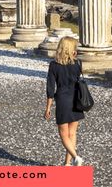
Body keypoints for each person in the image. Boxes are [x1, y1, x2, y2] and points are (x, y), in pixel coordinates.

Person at [44, 36, 85, 166]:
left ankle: (75, 157)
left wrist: (48, 107)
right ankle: (67, 164)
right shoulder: (78, 64)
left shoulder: (54, 65)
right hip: (76, 100)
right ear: (71, 49)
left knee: (63, 134)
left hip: (63, 100)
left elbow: (50, 88)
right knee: (72, 133)